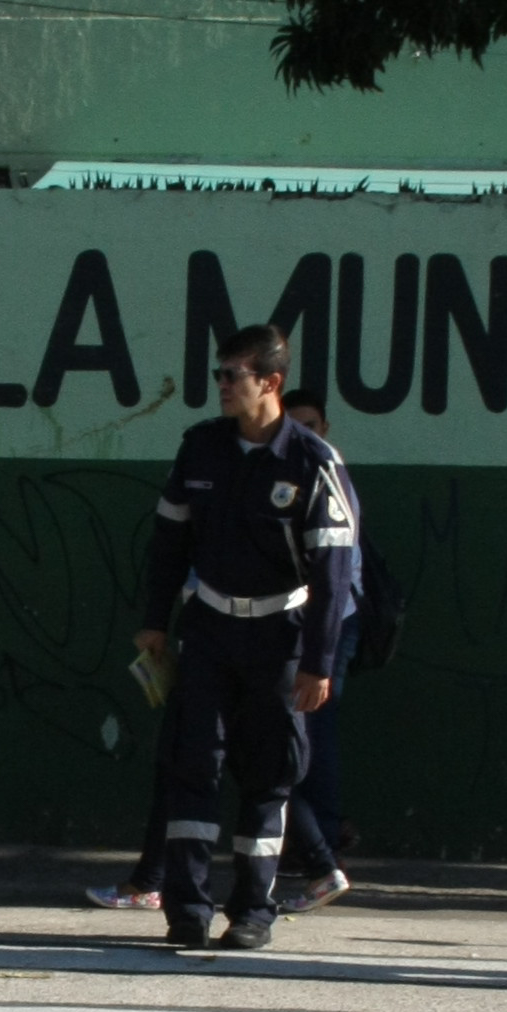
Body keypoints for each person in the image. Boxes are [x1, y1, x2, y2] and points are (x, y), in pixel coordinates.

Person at [134, 324, 359, 952]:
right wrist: (155, 621)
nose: (222, 385)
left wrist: (317, 663)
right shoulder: (201, 447)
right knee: (193, 765)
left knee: (269, 775)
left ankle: (253, 911)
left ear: (271, 382)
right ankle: (186, 909)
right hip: (208, 630)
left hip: (280, 637)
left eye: (233, 375)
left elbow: (334, 574)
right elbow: (169, 541)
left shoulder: (314, 462)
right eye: (220, 374)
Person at [274, 384, 359, 912]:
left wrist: (318, 654)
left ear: (324, 428)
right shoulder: (281, 469)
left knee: (305, 737)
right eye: (295, 425)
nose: (303, 434)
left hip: (327, 624)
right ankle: (314, 850)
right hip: (290, 625)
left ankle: (321, 850)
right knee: (290, 740)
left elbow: (334, 573)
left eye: (311, 425)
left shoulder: (327, 473)